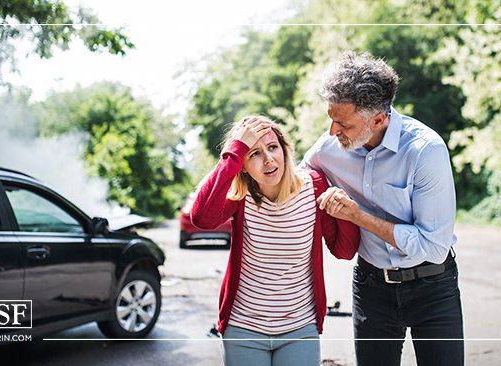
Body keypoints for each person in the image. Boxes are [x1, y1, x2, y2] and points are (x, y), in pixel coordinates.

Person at [301, 52, 464, 365]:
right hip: (371, 285)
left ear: (378, 120)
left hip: (434, 286)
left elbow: (433, 246)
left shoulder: (425, 150)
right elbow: (294, 183)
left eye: (344, 123)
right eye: (330, 119)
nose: (333, 131)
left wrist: (357, 217)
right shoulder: (329, 147)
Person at [190, 116, 360, 366]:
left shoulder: (313, 186)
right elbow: (202, 218)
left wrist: (345, 212)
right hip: (243, 327)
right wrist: (233, 153)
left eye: (272, 147)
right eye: (254, 154)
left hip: (300, 328)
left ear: (284, 150)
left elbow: (345, 251)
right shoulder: (240, 197)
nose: (268, 159)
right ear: (243, 164)